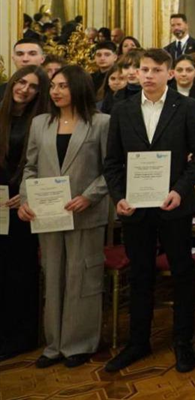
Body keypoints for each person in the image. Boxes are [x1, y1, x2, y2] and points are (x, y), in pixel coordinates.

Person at [103, 48, 195, 373]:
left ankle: (183, 342)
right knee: (140, 274)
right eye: (144, 69)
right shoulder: (122, 110)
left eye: (155, 70)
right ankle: (138, 342)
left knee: (181, 272)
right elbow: (112, 162)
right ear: (137, 72)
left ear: (169, 74)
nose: (148, 75)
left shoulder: (186, 106)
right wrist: (118, 197)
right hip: (135, 207)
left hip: (173, 204)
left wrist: (180, 190)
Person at [19, 64, 111, 364]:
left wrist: (89, 196)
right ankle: (54, 345)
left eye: (63, 86)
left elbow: (111, 169)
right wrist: (26, 199)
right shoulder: (40, 123)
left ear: (79, 88)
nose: (55, 91)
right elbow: (31, 167)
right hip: (47, 214)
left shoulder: (101, 122)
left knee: (81, 278)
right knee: (53, 277)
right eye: (53, 86)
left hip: (85, 213)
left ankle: (79, 344)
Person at [0, 66, 50, 361]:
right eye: (21, 82)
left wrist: (27, 192)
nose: (24, 89)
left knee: (20, 270)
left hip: (23, 202)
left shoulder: (41, 120)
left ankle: (21, 336)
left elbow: (41, 162)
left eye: (32, 86)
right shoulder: (2, 113)